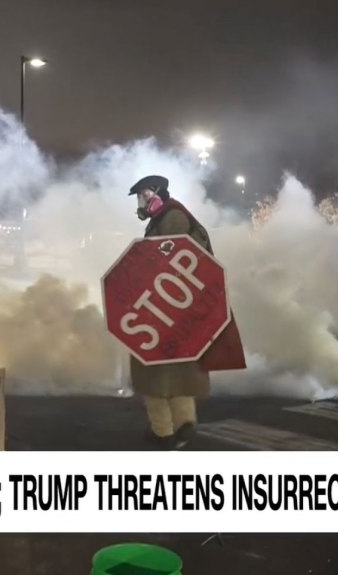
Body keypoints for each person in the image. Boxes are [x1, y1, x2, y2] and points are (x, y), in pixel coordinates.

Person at [126, 175, 246, 450]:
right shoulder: (171, 216)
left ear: (155, 193)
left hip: (168, 308)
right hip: (176, 306)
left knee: (152, 370)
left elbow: (168, 263)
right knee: (178, 370)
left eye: (142, 194)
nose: (139, 201)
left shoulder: (173, 218)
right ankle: (184, 423)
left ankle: (164, 432)